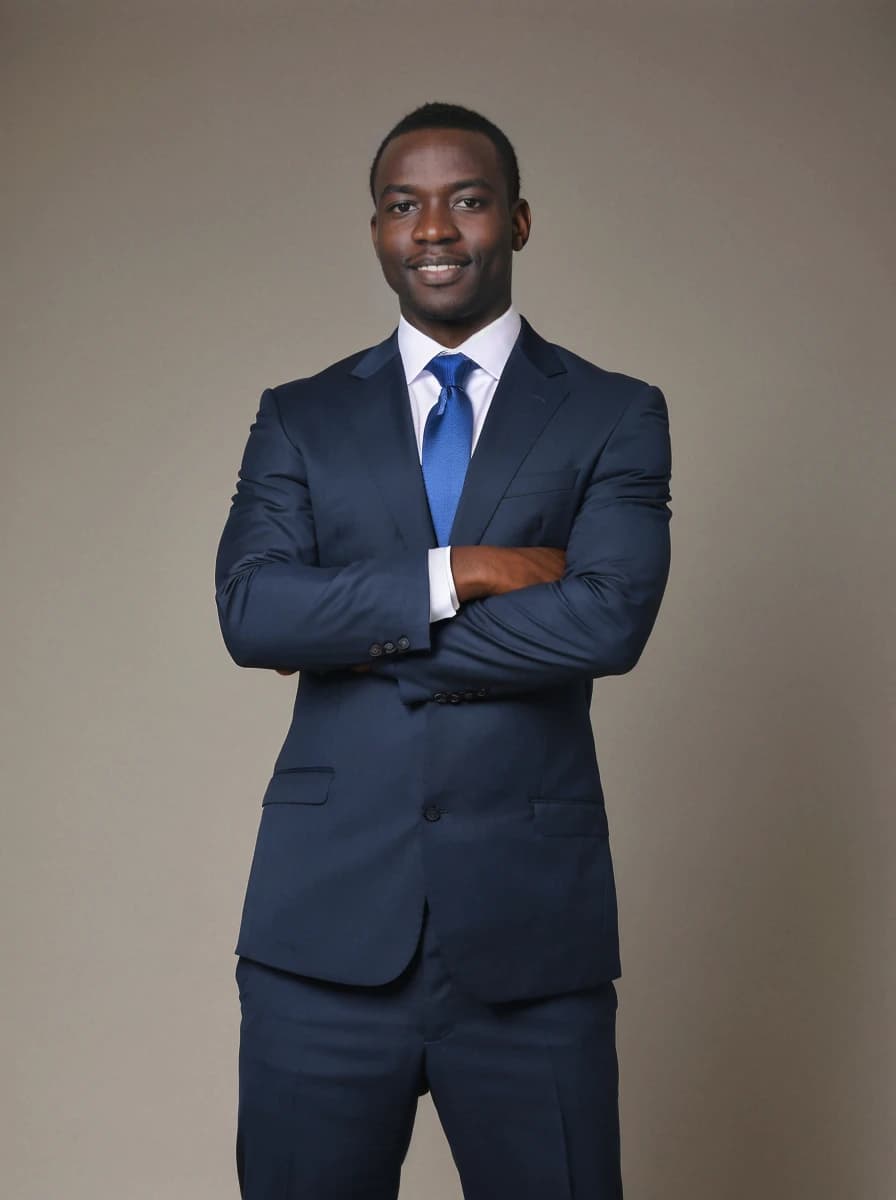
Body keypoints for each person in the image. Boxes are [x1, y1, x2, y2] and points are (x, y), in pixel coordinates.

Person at [215, 100, 672, 1200]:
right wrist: (455, 571)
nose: (432, 228)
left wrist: (349, 637)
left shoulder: (613, 413)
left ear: (515, 221)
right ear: (374, 230)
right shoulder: (300, 416)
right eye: (401, 204)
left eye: (464, 200)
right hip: (319, 942)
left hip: (532, 948)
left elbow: (605, 622)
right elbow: (251, 614)